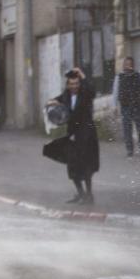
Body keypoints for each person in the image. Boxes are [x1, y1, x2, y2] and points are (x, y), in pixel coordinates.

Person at [46, 68, 99, 204]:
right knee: (72, 166)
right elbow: (54, 102)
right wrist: (51, 102)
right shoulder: (66, 96)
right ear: (68, 85)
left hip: (86, 135)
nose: (74, 86)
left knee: (86, 166)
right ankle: (80, 194)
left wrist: (82, 74)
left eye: (77, 83)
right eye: (72, 84)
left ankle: (89, 195)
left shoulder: (85, 94)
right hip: (72, 135)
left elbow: (92, 90)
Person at [114, 57, 140, 157]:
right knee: (127, 130)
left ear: (133, 65)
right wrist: (114, 106)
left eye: (130, 63)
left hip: (137, 106)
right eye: (126, 63)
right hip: (125, 106)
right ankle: (130, 150)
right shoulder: (119, 77)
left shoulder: (138, 76)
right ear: (123, 65)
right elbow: (115, 92)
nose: (128, 65)